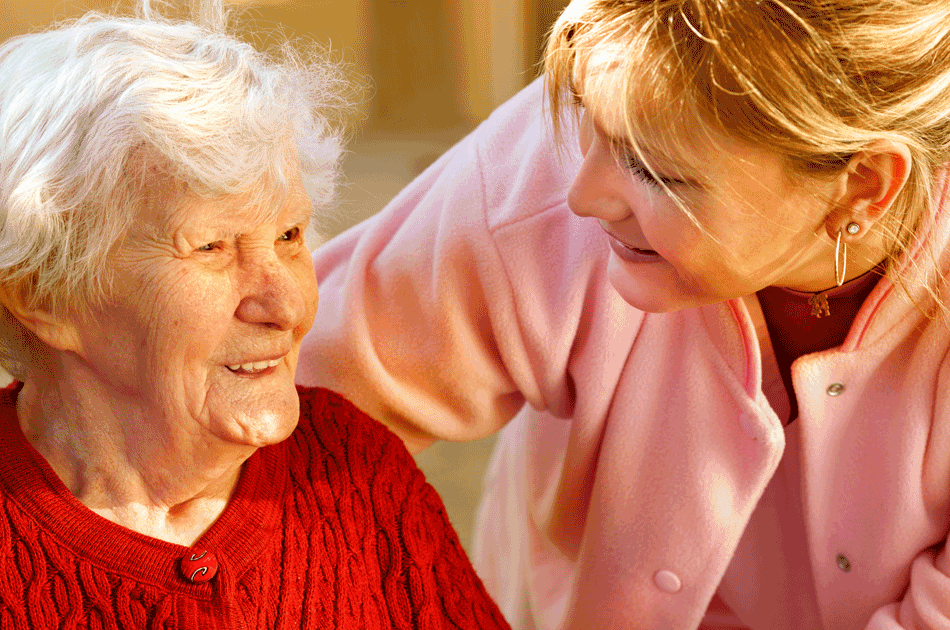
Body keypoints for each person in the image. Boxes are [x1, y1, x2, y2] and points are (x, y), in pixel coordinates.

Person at [296, 1, 950, 629]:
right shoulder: (540, 174)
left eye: (656, 172)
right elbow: (289, 418)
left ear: (862, 186)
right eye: (586, 112)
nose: (582, 195)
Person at [0, 2, 512, 627]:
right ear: (45, 296)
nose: (288, 305)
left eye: (290, 236)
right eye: (212, 248)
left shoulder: (353, 470)